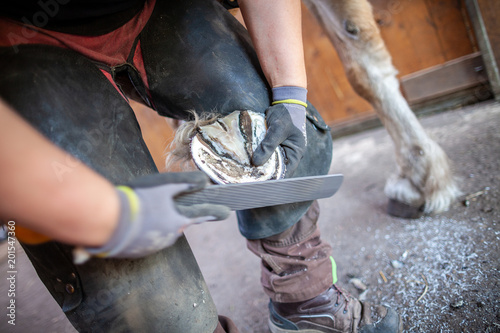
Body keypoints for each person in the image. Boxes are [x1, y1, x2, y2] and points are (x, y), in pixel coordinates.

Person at [0, 0, 402, 332]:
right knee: (135, 287)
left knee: (264, 125)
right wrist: (109, 218)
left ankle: (307, 302)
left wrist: (290, 96)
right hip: (20, 40)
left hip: (157, 7)